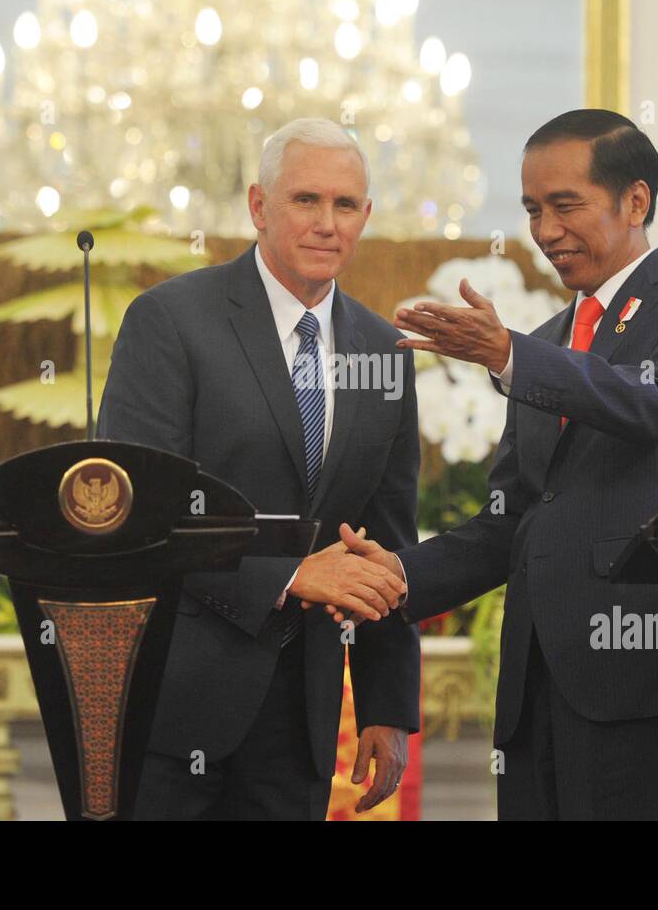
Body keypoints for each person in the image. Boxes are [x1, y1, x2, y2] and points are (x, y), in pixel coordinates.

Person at [338, 108, 658, 819]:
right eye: (531, 209)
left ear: (636, 200)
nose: (545, 230)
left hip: (638, 681)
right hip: (532, 691)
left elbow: (653, 402)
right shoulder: (545, 342)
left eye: (565, 205)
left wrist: (509, 356)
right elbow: (511, 521)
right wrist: (398, 574)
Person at [98, 117, 420, 819]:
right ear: (258, 206)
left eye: (345, 205)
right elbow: (137, 511)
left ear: (365, 216)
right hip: (172, 708)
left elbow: (387, 542)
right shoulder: (171, 321)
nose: (327, 223)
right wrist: (291, 574)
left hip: (301, 725)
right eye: (306, 200)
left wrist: (387, 705)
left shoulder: (385, 351)